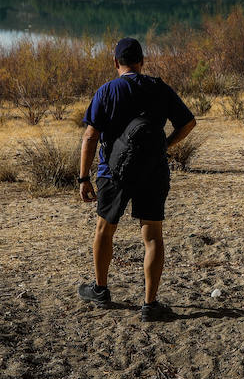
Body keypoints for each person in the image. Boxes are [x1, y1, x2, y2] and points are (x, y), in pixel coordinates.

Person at [77, 37, 196, 321]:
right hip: (153, 170)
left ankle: (100, 290)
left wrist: (83, 177)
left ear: (115, 62)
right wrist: (164, 146)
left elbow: (91, 136)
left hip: (112, 172)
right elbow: (188, 123)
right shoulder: (159, 88)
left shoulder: (107, 91)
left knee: (105, 230)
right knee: (152, 236)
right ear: (142, 61)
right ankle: (150, 304)